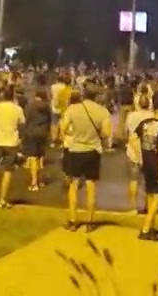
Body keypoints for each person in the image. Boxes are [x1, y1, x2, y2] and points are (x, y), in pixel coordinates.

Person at [59, 87, 111, 231]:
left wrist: (70, 138)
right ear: (96, 96)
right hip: (92, 151)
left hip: (75, 149)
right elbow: (106, 133)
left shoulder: (73, 109)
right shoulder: (102, 111)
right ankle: (89, 221)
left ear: (83, 95)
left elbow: (62, 128)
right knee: (91, 186)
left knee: (73, 186)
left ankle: (73, 220)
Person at [134, 96, 158, 241]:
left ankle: (151, 227)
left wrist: (140, 157)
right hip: (157, 165)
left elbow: (134, 139)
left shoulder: (145, 123)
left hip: (147, 163)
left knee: (150, 195)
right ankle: (145, 229)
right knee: (157, 198)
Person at [22, 86, 51, 191]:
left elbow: (27, 120)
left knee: (33, 158)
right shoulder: (47, 107)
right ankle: (40, 179)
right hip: (43, 133)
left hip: (31, 133)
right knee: (40, 157)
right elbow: (49, 121)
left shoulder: (30, 106)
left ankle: (34, 182)